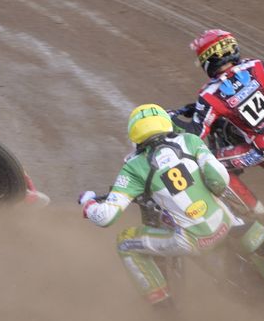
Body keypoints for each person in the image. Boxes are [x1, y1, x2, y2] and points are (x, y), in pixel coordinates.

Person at [78, 104, 240, 307]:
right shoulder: (189, 140)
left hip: (192, 241)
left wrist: (88, 203)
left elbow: (105, 217)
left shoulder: (134, 167)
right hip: (227, 222)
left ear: (135, 135)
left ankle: (163, 309)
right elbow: (219, 180)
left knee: (125, 242)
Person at [172, 29, 264, 214]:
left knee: (211, 163)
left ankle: (255, 210)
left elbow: (196, 133)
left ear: (208, 60)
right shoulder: (257, 65)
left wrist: (171, 120)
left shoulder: (209, 95)